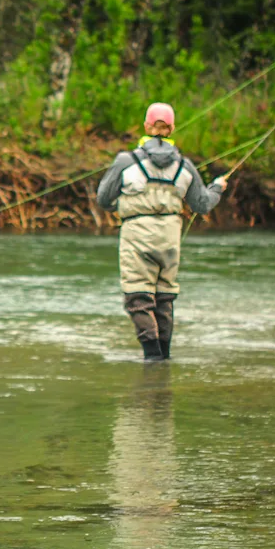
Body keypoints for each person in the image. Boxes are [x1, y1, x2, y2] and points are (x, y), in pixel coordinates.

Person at [95, 103, 228, 362]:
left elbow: (103, 199)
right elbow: (202, 204)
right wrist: (216, 188)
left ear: (146, 126)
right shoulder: (185, 165)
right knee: (164, 298)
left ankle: (152, 357)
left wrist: (119, 206)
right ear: (172, 128)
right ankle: (164, 358)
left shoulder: (126, 161)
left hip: (136, 233)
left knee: (138, 297)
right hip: (170, 235)